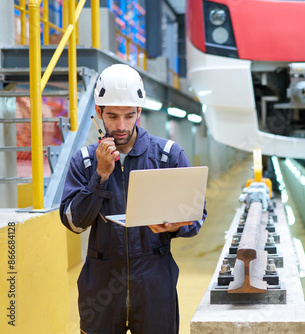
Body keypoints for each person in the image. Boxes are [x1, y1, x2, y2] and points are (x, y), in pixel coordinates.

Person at [60, 64, 206, 334]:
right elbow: (74, 223)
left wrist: (177, 225)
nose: (121, 126)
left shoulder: (168, 156)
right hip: (101, 285)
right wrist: (100, 176)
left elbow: (196, 217)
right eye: (113, 116)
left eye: (129, 116)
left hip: (153, 283)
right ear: (98, 113)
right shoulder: (85, 161)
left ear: (139, 111)